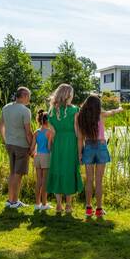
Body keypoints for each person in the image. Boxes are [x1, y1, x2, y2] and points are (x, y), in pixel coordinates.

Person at [77, 94, 123, 218]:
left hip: (88, 147)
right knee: (99, 181)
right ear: (98, 105)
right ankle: (99, 209)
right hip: (101, 147)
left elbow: (80, 139)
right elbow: (112, 112)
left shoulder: (81, 117)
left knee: (89, 180)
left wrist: (79, 154)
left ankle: (88, 208)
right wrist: (120, 108)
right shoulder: (101, 114)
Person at [47, 84, 83, 213]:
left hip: (58, 145)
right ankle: (68, 205)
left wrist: (51, 147)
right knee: (69, 171)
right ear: (68, 95)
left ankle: (58, 205)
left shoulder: (51, 111)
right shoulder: (74, 110)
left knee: (57, 171)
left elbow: (52, 133)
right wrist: (80, 151)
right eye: (72, 94)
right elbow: (78, 133)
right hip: (70, 144)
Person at [0, 87, 33, 209]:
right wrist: (32, 146)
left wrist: (4, 139)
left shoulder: (6, 107)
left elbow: (0, 125)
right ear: (23, 96)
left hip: (10, 144)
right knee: (18, 174)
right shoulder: (25, 111)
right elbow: (28, 132)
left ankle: (11, 200)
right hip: (21, 145)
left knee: (12, 172)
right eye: (28, 96)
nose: (29, 98)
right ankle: (14, 201)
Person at [30, 109, 53, 211]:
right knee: (45, 181)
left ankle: (37, 204)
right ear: (48, 121)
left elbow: (32, 148)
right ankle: (44, 204)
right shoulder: (49, 132)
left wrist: (33, 155)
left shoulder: (36, 132)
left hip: (37, 156)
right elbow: (49, 147)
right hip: (46, 157)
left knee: (38, 181)